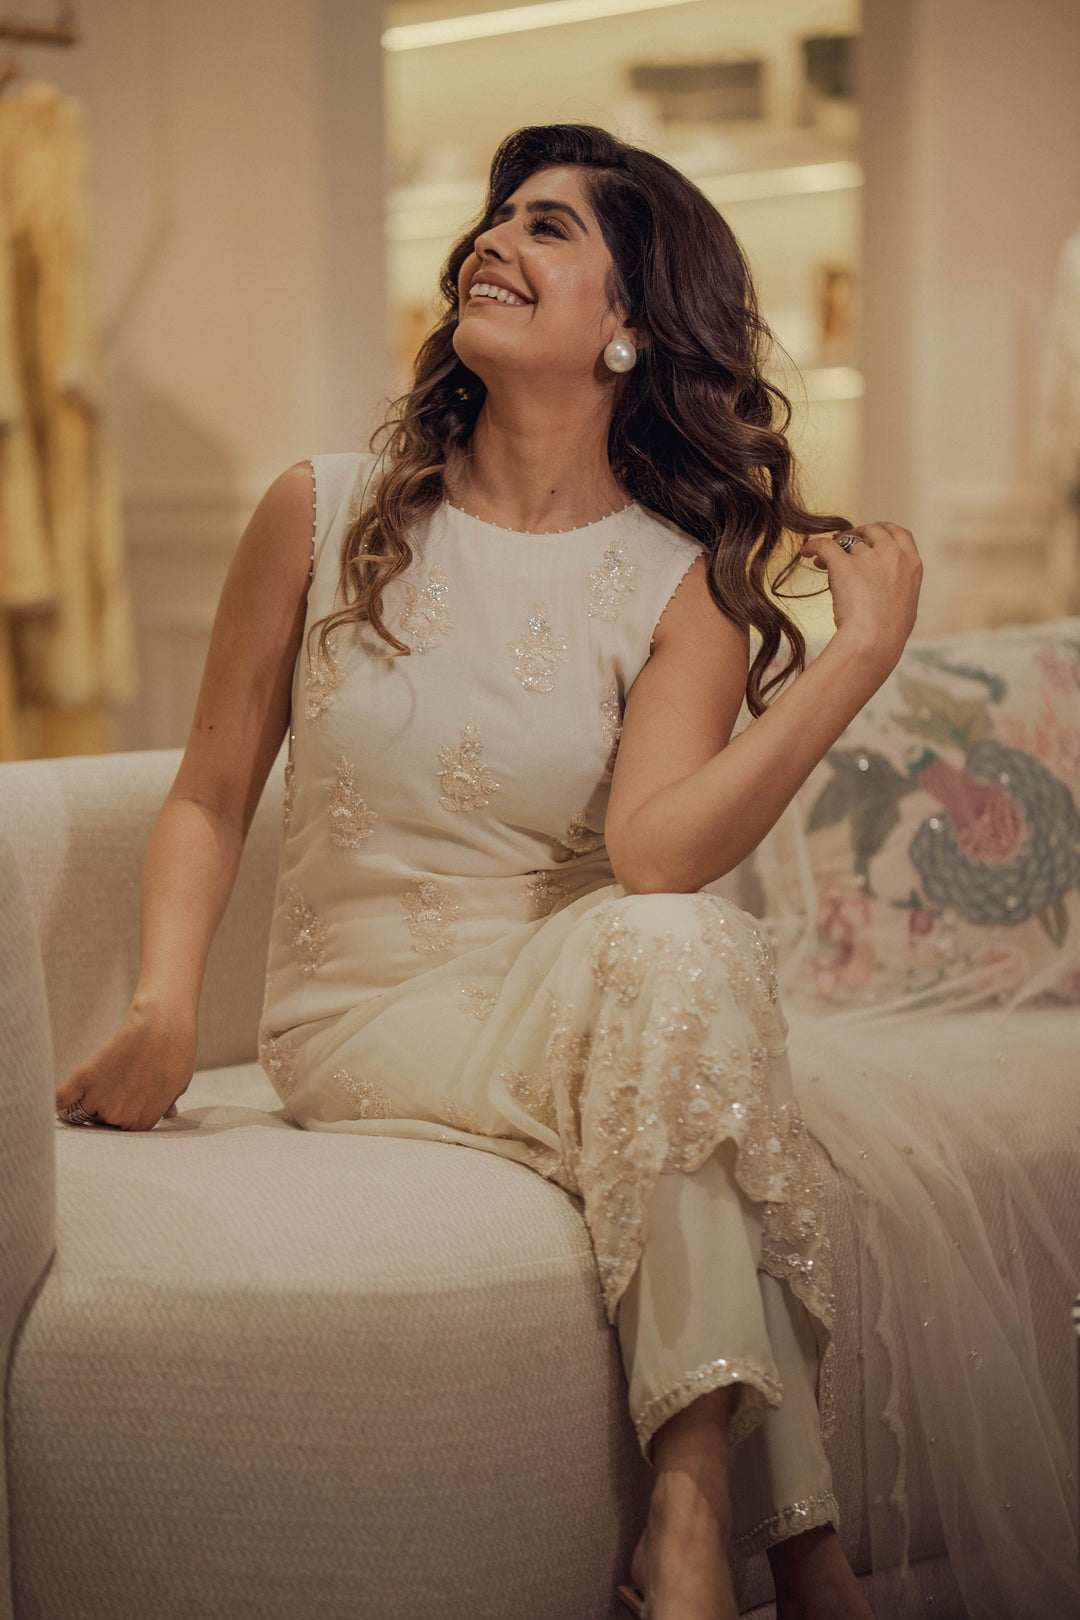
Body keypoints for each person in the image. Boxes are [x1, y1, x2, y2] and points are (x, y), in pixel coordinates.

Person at [55, 123, 924, 1619]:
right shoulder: (325, 510)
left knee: (682, 947)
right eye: (497, 218)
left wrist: (854, 663)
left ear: (630, 326)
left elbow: (655, 857)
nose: (494, 242)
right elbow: (210, 787)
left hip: (568, 999)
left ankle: (691, 1520)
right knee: (682, 1015)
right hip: (360, 1017)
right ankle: (806, 1554)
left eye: (549, 228)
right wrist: (165, 1006)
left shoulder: (682, 579)